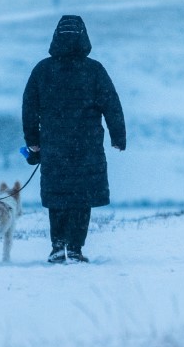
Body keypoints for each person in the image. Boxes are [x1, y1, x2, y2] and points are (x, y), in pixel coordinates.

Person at [22, 15, 126, 264]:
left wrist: (32, 140)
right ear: (84, 37)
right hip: (86, 146)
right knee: (82, 198)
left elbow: (29, 106)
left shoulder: (43, 70)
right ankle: (75, 248)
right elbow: (112, 105)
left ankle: (57, 247)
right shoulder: (94, 70)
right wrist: (118, 136)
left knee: (58, 196)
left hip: (54, 145)